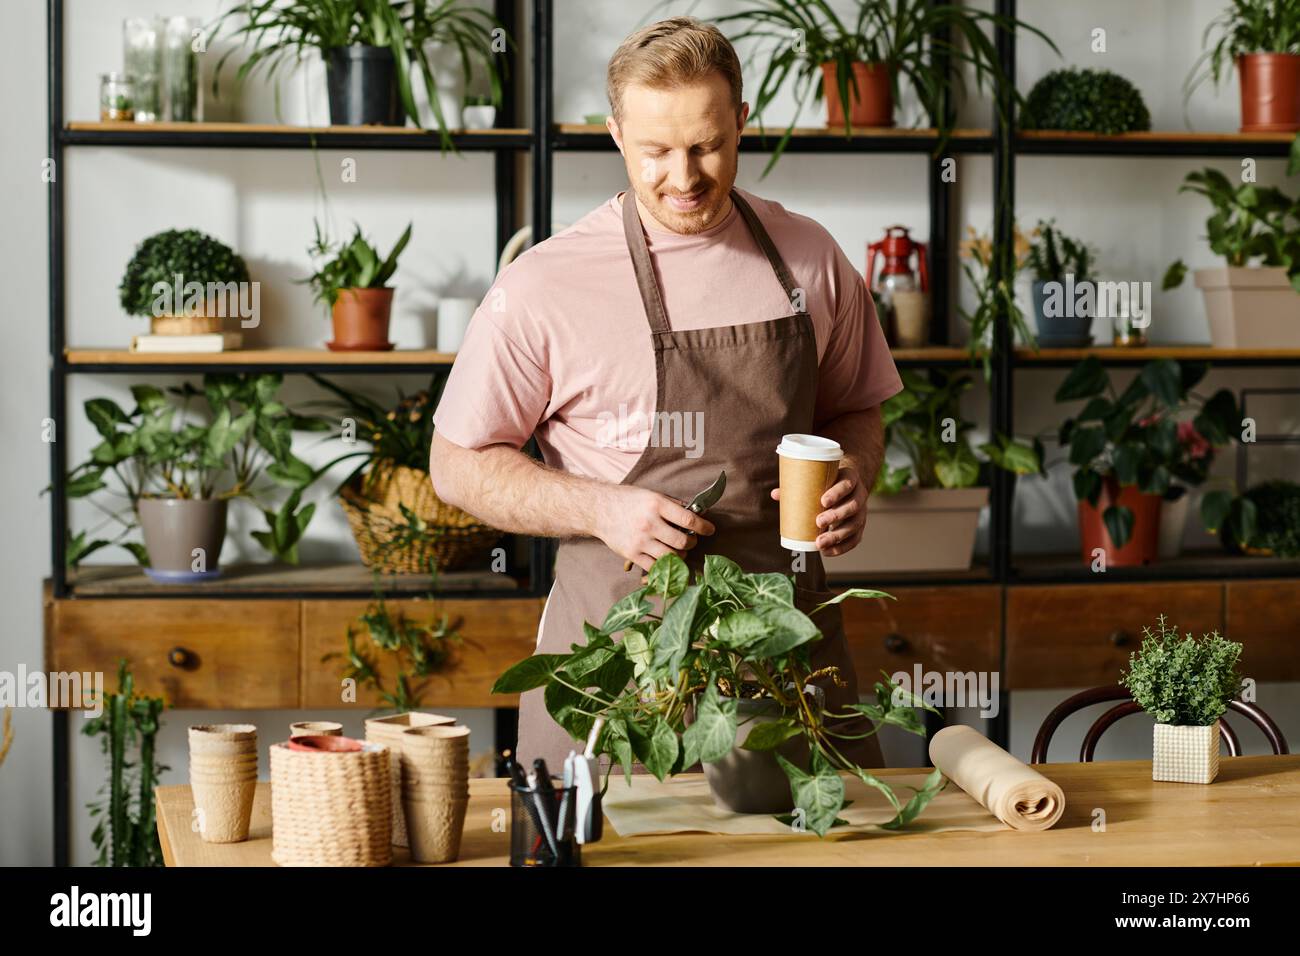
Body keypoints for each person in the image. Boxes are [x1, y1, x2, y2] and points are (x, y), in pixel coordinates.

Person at [429, 16, 903, 772]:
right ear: (615, 134)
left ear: (742, 123)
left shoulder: (811, 259)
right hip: (619, 674)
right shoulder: (546, 285)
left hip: (785, 672)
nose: (684, 178)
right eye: (655, 152)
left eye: (708, 146)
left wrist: (855, 473)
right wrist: (599, 508)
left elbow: (857, 409)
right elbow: (456, 463)